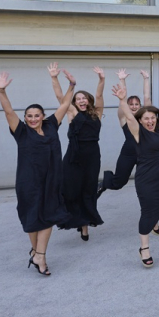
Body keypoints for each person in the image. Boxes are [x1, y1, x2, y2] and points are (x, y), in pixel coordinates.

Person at [0, 70, 74, 276]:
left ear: (42, 116)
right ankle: (38, 253)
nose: (33, 119)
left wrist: (71, 86)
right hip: (28, 182)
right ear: (24, 118)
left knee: (49, 216)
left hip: (51, 180)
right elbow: (8, 112)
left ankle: (40, 254)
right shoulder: (21, 132)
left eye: (36, 115)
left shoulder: (51, 126)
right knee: (32, 218)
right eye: (29, 116)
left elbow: (65, 105)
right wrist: (1, 91)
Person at [111, 83, 159, 268]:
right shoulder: (138, 132)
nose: (150, 121)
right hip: (146, 177)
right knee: (147, 211)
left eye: (152, 118)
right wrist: (123, 100)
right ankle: (144, 248)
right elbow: (129, 118)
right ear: (140, 120)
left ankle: (154, 223)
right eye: (146, 118)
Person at [48, 62, 105, 240]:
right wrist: (55, 78)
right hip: (74, 157)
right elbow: (60, 97)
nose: (81, 100)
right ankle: (71, 218)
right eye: (78, 98)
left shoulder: (97, 112)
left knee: (88, 190)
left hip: (92, 157)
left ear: (88, 100)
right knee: (71, 190)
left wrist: (102, 79)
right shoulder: (72, 112)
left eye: (83, 98)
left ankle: (85, 225)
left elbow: (100, 94)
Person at [98, 68, 151, 197]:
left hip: (145, 153)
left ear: (140, 106)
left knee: (146, 182)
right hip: (128, 152)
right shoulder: (123, 117)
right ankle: (104, 182)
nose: (133, 106)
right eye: (131, 104)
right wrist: (122, 80)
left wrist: (146, 79)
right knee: (119, 182)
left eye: (136, 104)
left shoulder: (146, 118)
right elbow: (123, 98)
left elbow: (147, 97)